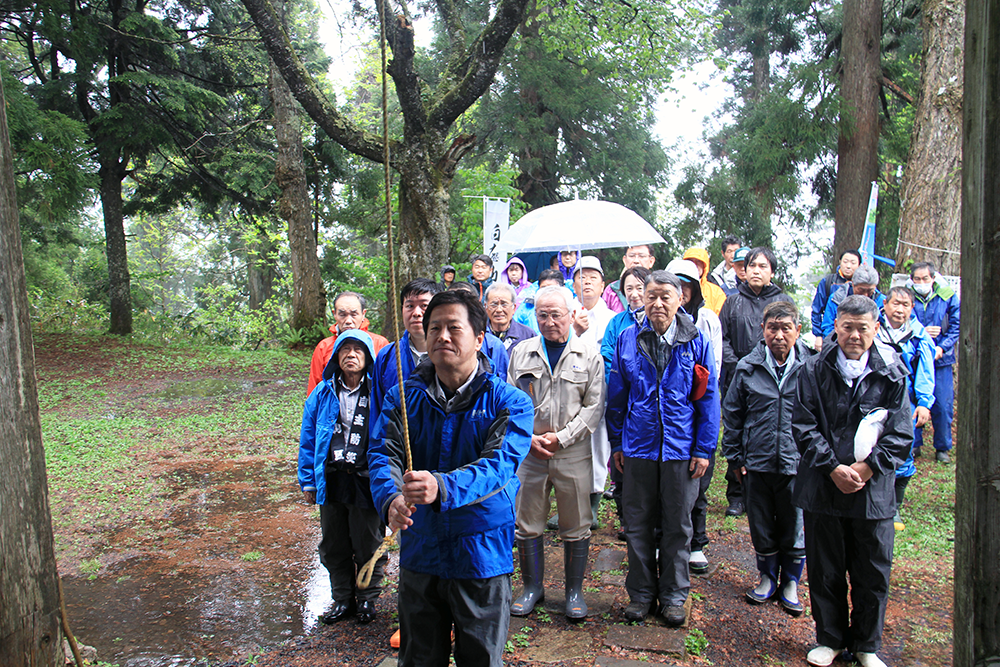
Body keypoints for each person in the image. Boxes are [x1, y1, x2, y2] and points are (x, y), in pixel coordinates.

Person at [367, 290, 534, 667]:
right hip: (420, 547)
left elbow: (498, 466)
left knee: (480, 658)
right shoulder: (402, 398)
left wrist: (441, 486)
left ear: (479, 338)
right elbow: (382, 452)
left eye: (454, 328)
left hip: (481, 552)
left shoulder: (509, 402)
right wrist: (390, 498)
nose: (442, 336)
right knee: (419, 657)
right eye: (435, 328)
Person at [792, 295, 911, 667]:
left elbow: (900, 433)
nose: (855, 336)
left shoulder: (892, 372)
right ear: (836, 327)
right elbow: (803, 425)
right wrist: (832, 467)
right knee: (825, 567)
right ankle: (829, 638)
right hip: (823, 485)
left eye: (863, 328)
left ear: (876, 328)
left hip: (871, 491)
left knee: (872, 570)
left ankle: (866, 645)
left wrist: (868, 468)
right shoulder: (813, 369)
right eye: (848, 327)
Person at [607, 270, 720, 626]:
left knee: (677, 525)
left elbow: (708, 397)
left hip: (680, 448)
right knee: (637, 523)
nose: (657, 303)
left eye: (665, 296)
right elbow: (617, 396)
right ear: (642, 298)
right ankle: (641, 594)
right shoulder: (627, 338)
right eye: (651, 296)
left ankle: (673, 595)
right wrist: (617, 442)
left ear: (680, 299)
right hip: (638, 446)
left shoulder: (696, 340)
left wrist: (703, 448)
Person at [508, 286, 605, 619]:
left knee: (576, 523)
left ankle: (574, 592)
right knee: (527, 522)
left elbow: (594, 407)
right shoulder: (521, 353)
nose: (549, 322)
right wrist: (529, 438)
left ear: (570, 315)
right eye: (542, 315)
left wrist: (562, 438)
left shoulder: (589, 354)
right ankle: (531, 588)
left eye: (556, 315)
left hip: (572, 452)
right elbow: (510, 402)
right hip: (530, 453)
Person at [722, 301, 813, 616]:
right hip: (756, 461)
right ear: (763, 330)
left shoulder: (810, 368)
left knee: (794, 524)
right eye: (772, 328)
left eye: (786, 328)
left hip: (796, 463)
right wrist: (735, 457)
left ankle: (791, 582)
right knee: (761, 523)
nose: (779, 335)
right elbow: (733, 414)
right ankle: (766, 577)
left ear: (797, 331)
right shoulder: (748, 367)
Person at [299, 329, 386, 625]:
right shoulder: (322, 394)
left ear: (368, 357)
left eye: (358, 350)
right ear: (336, 357)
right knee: (334, 543)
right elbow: (308, 439)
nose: (351, 355)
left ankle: (367, 599)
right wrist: (308, 481)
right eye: (345, 350)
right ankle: (342, 598)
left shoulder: (378, 393)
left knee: (368, 542)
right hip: (333, 477)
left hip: (365, 479)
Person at [718, 247, 795, 517]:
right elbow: (722, 338)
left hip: (775, 379)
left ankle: (775, 490)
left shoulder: (783, 302)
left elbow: (790, 338)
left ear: (772, 271)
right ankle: (736, 494)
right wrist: (740, 364)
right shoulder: (732, 301)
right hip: (739, 376)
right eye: (752, 266)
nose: (756, 271)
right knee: (737, 430)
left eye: (763, 266)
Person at [665, 258, 723, 575]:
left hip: (697, 403)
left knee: (698, 480)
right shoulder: (654, 322)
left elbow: (714, 367)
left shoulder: (707, 320)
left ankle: (697, 542)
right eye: (676, 284)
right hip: (667, 418)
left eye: (686, 285)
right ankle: (665, 540)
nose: (681, 291)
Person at [876, 286, 936, 530]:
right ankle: (875, 498)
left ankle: (895, 507)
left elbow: (925, 372)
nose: (900, 310)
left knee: (903, 449)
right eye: (896, 304)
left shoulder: (919, 336)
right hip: (875, 398)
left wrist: (923, 403)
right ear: (885, 305)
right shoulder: (874, 329)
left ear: (912, 308)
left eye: (905, 305)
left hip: (905, 401)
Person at [600, 266, 650, 540]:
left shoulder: (656, 319)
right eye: (628, 288)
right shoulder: (616, 322)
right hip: (622, 397)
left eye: (639, 287)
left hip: (648, 401)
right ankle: (625, 518)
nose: (634, 293)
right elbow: (608, 356)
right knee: (621, 460)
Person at [571, 256, 616, 526]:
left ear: (602, 285)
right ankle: (572, 502)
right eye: (581, 277)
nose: (586, 282)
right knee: (571, 444)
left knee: (599, 444)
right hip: (569, 390)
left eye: (592, 277)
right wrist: (574, 330)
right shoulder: (566, 314)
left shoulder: (611, 318)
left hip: (600, 390)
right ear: (574, 284)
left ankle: (593, 503)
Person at [909, 261, 960, 463]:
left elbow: (956, 325)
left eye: (925, 278)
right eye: (917, 279)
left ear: (933, 278)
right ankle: (914, 444)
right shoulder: (906, 296)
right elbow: (901, 321)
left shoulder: (947, 296)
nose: (921, 282)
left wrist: (942, 348)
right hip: (915, 358)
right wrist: (921, 331)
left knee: (943, 404)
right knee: (913, 400)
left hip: (941, 359)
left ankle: (942, 447)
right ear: (912, 280)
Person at [371, 279, 439, 414]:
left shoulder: (451, 352)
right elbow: (377, 408)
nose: (416, 313)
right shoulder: (387, 356)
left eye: (424, 306)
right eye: (410, 306)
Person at [308, 292, 390, 395]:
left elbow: (388, 384)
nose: (348, 321)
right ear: (334, 314)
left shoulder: (379, 343)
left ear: (363, 314)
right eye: (342, 314)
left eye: (354, 314)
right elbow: (315, 388)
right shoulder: (324, 347)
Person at [448, 282, 510, 379]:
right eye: (450, 302)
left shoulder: (493, 345)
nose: (456, 308)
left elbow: (502, 381)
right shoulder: (436, 339)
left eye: (463, 302)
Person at [818, 263, 884, 344]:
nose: (865, 295)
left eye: (870, 291)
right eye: (861, 290)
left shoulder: (882, 301)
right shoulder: (837, 298)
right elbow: (828, 326)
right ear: (853, 284)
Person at [811, 250, 861, 348]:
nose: (848, 266)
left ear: (859, 265)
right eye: (845, 262)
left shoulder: (862, 284)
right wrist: (818, 335)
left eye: (853, 263)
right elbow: (817, 310)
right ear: (840, 262)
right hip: (830, 333)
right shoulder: (828, 282)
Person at [602, 245, 657, 313]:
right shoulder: (612, 290)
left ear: (651, 261)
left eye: (642, 256)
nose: (636, 261)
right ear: (625, 260)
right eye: (632, 256)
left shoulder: (659, 288)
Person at [485, 283, 536, 351]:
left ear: (513, 308)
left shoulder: (528, 335)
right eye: (494, 305)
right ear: (486, 307)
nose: (499, 310)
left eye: (504, 304)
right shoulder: (478, 333)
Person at [514, 269, 565, 334]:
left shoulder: (569, 306)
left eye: (551, 289)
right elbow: (514, 329)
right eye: (543, 288)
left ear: (562, 288)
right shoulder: (527, 306)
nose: (547, 292)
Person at [682, 247, 727, 314]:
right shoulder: (675, 287)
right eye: (690, 261)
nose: (694, 265)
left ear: (705, 266)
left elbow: (721, 317)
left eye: (698, 261)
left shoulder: (716, 292)